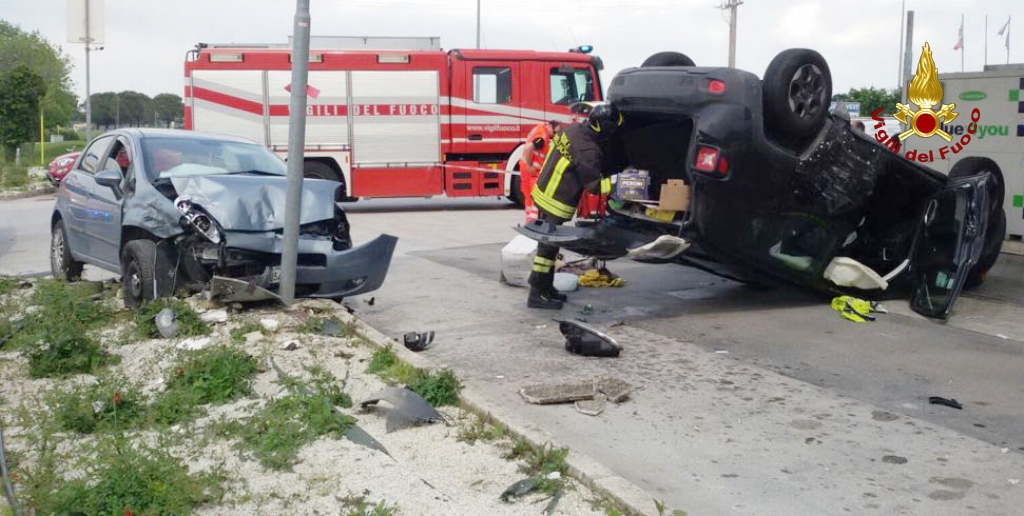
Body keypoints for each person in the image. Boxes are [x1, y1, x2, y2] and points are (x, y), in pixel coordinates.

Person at [527, 103, 623, 309]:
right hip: (555, 201)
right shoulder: (588, 150)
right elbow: (595, 186)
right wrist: (620, 182)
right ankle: (537, 294)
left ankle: (545, 288)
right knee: (547, 250)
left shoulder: (574, 130)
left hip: (543, 191)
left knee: (548, 248)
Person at [518, 120, 561, 224]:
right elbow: (528, 148)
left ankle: (529, 221)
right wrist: (530, 166)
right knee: (535, 198)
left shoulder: (541, 127)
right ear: (550, 126)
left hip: (527, 169)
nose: (554, 136)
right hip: (531, 172)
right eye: (554, 133)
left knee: (530, 198)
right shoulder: (542, 137)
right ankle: (531, 222)